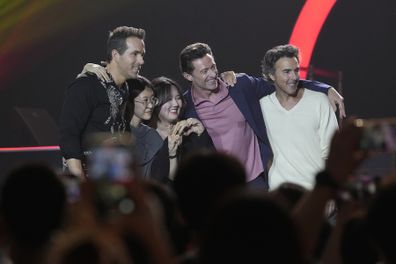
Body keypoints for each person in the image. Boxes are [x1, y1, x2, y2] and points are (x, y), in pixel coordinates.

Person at [179, 42, 345, 189]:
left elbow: (281, 83)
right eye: (204, 71)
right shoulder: (185, 107)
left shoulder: (239, 85)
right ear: (188, 76)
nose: (213, 74)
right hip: (220, 186)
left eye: (213, 67)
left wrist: (325, 88)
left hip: (255, 180)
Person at [59, 26, 146, 178]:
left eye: (142, 55)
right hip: (87, 178)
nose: (141, 61)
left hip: (112, 177)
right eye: (135, 54)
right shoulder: (86, 85)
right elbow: (68, 136)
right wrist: (80, 182)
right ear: (115, 55)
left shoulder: (126, 88)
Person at [259, 44, 339, 190]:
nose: (294, 77)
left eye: (296, 70)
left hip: (314, 194)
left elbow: (334, 154)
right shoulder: (262, 107)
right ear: (271, 75)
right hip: (280, 197)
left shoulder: (319, 101)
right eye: (286, 72)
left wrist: (328, 192)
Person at [149, 77, 215, 182]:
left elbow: (212, 167)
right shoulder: (146, 136)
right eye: (168, 99)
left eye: (178, 98)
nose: (175, 104)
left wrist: (202, 135)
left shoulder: (190, 130)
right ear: (155, 102)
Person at [126, 76, 161, 178]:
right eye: (145, 100)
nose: (150, 105)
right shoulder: (117, 131)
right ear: (130, 100)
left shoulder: (152, 135)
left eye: (152, 100)